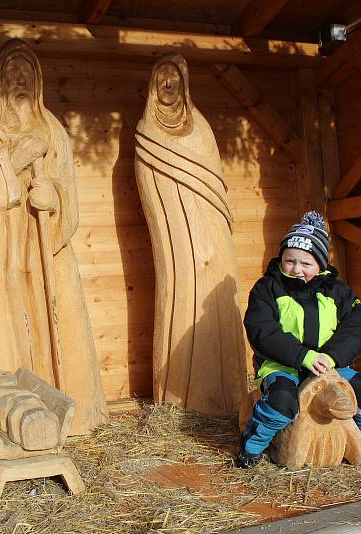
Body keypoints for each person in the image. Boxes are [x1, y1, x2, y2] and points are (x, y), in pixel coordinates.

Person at [0, 39, 108, 435]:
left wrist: (52, 197)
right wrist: (11, 164)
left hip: (46, 256)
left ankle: (69, 417)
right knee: (3, 338)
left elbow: (70, 195)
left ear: (37, 82)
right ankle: (11, 421)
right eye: (10, 73)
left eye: (26, 73)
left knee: (57, 328)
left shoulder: (55, 131)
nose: (18, 80)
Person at [134, 53, 246, 416]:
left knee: (215, 302)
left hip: (210, 233)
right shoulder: (146, 132)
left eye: (174, 79)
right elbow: (150, 188)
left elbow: (214, 184)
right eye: (162, 79)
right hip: (175, 238)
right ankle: (179, 396)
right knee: (179, 299)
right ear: (153, 87)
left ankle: (229, 391)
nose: (168, 85)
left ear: (184, 84)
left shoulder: (201, 129)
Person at [236, 212, 361, 468]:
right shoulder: (266, 289)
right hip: (281, 365)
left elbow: (355, 328)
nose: (296, 269)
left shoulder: (339, 292)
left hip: (328, 366)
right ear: (281, 258)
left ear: (321, 265)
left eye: (305, 264)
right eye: (289, 261)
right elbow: (262, 330)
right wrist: (303, 357)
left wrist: (331, 357)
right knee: (282, 403)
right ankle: (253, 444)